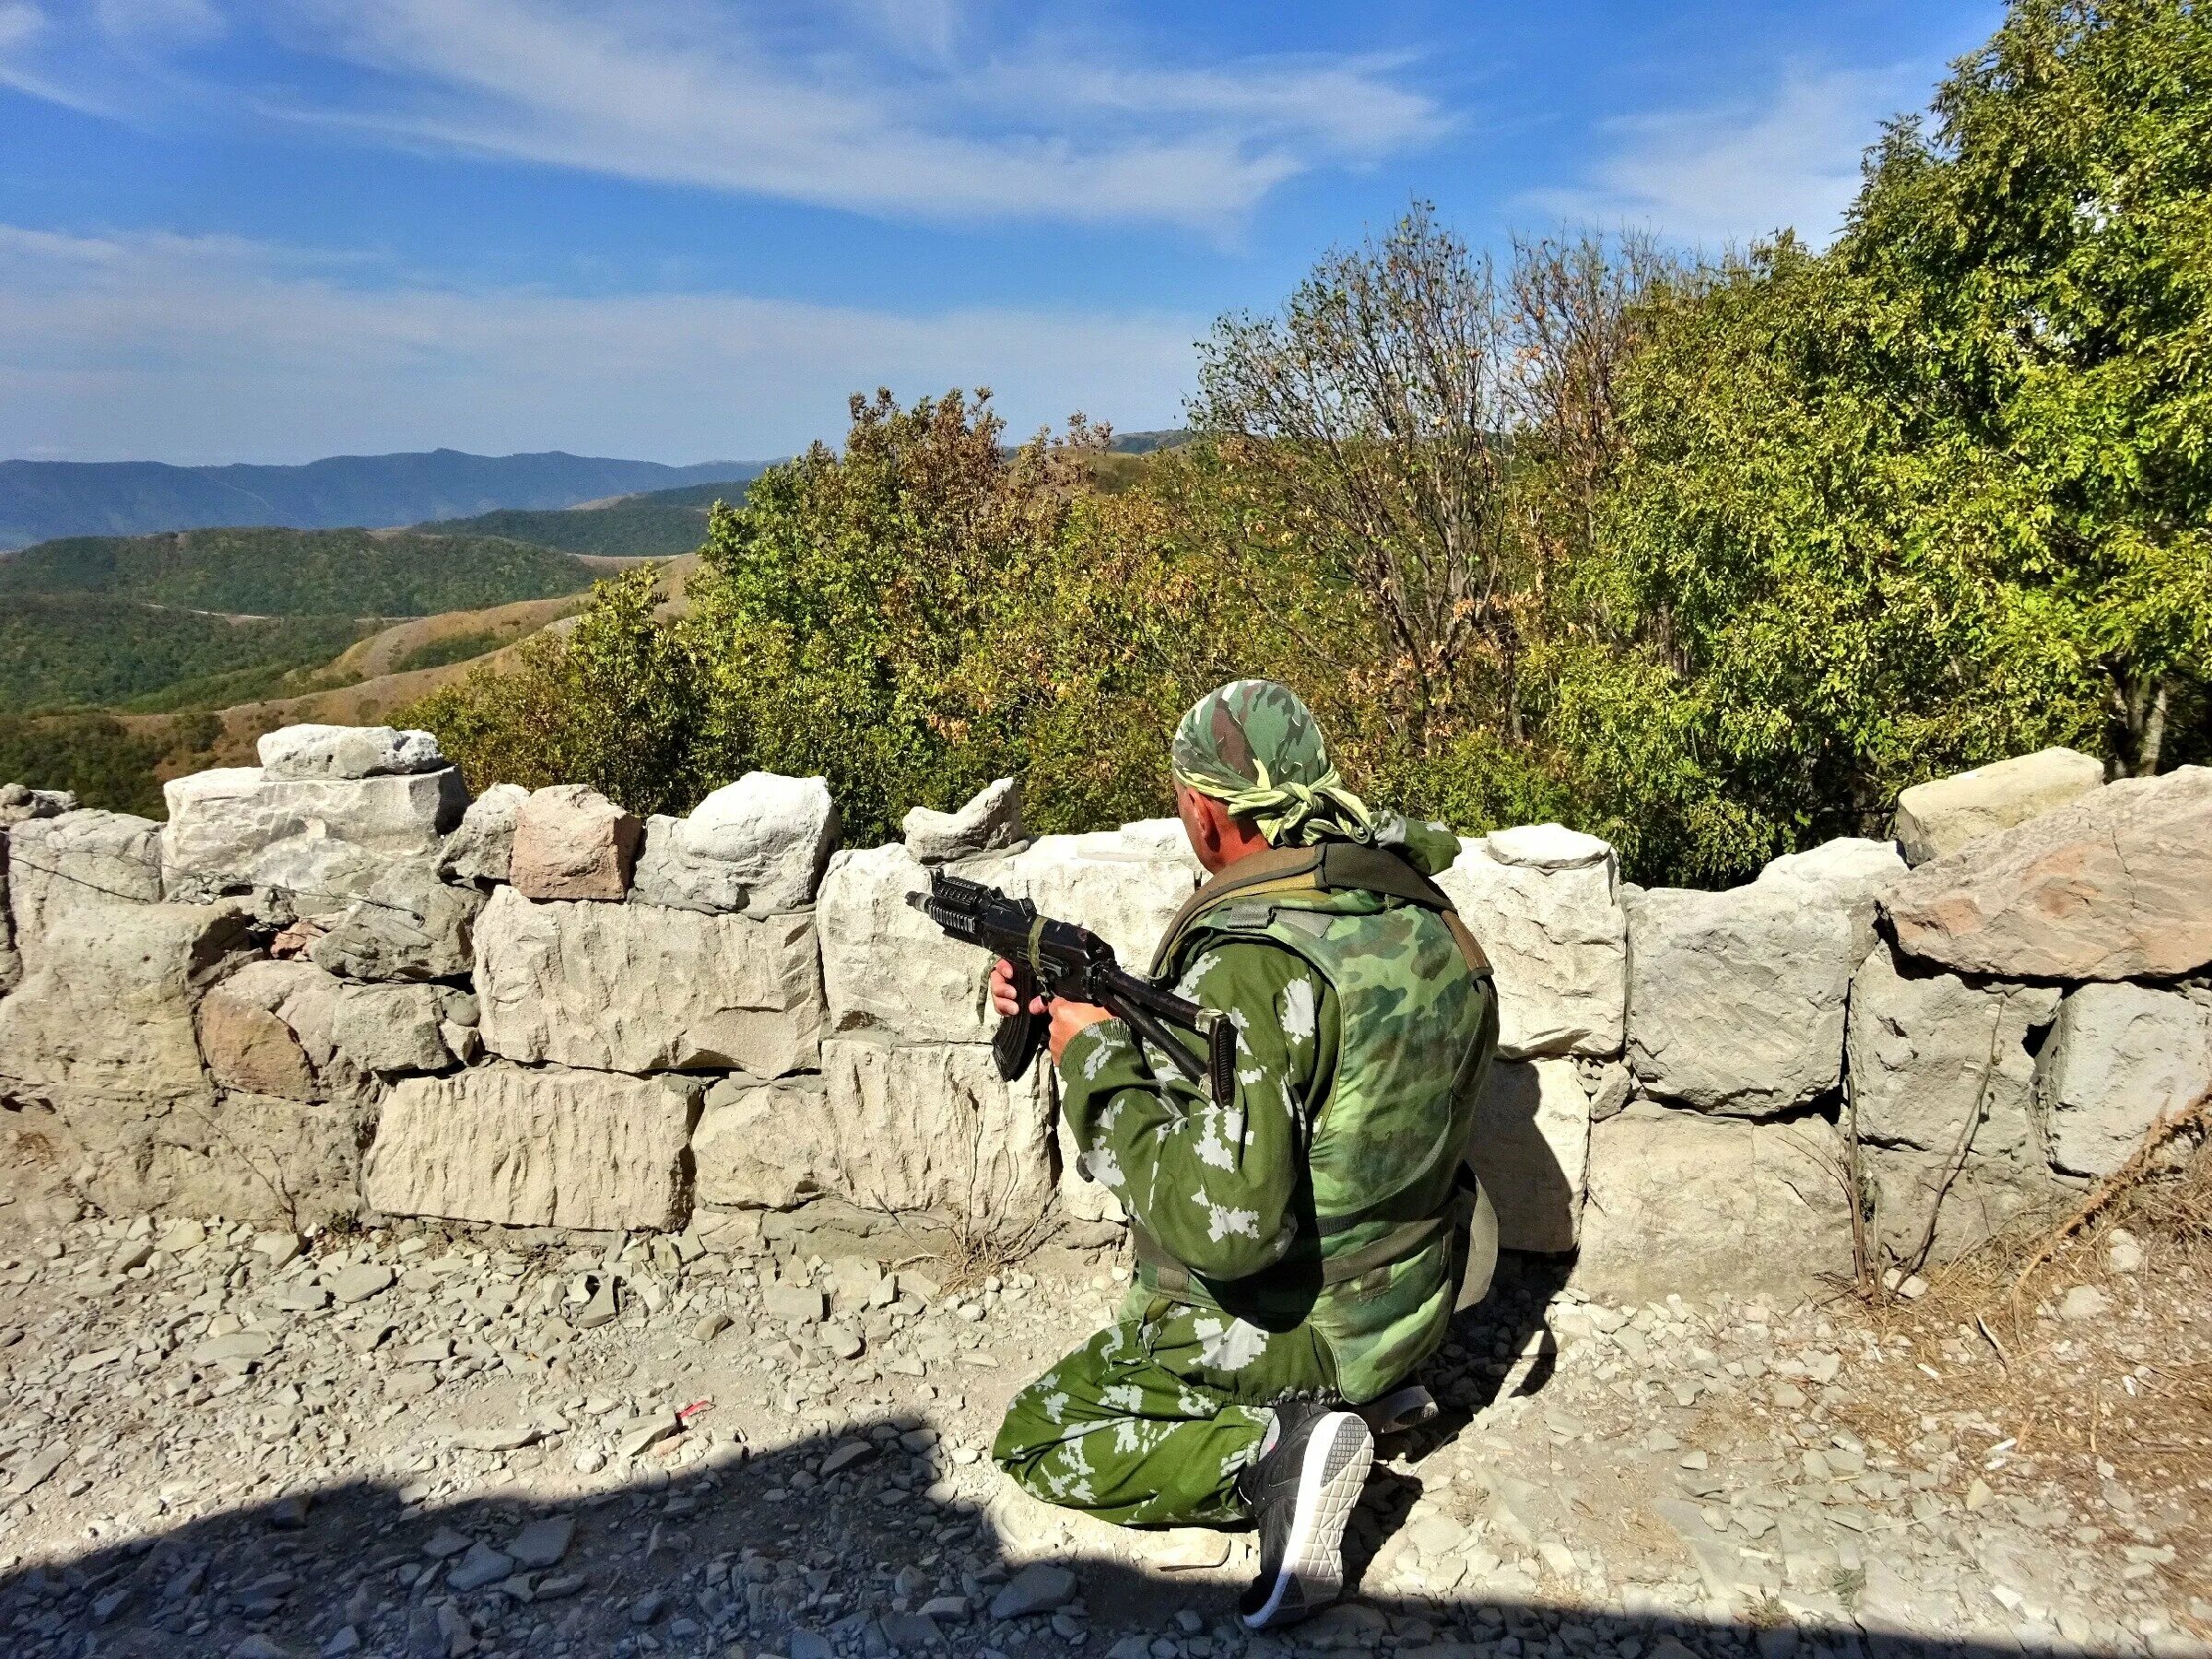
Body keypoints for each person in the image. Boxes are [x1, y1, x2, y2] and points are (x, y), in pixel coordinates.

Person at [988, 679, 1500, 1630]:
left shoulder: (1250, 958)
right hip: (1411, 1308)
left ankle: (1276, 1453)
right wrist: (1108, 1021)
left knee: (1037, 1435)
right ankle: (1369, 1403)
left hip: (1304, 1333)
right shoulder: (1416, 912)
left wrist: (1092, 1059)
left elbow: (1226, 1230)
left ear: (1203, 811)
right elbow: (1302, 1081)